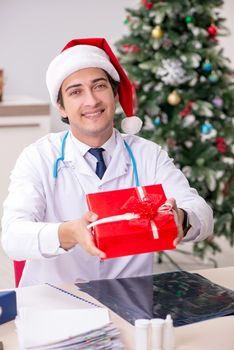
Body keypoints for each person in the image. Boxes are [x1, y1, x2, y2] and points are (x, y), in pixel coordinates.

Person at [1, 38, 213, 287]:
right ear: (61, 107)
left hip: (132, 300)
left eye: (99, 86)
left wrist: (182, 219)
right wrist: (69, 232)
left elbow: (203, 214)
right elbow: (12, 238)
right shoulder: (38, 157)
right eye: (76, 92)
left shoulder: (148, 154)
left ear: (114, 94)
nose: (91, 101)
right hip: (56, 303)